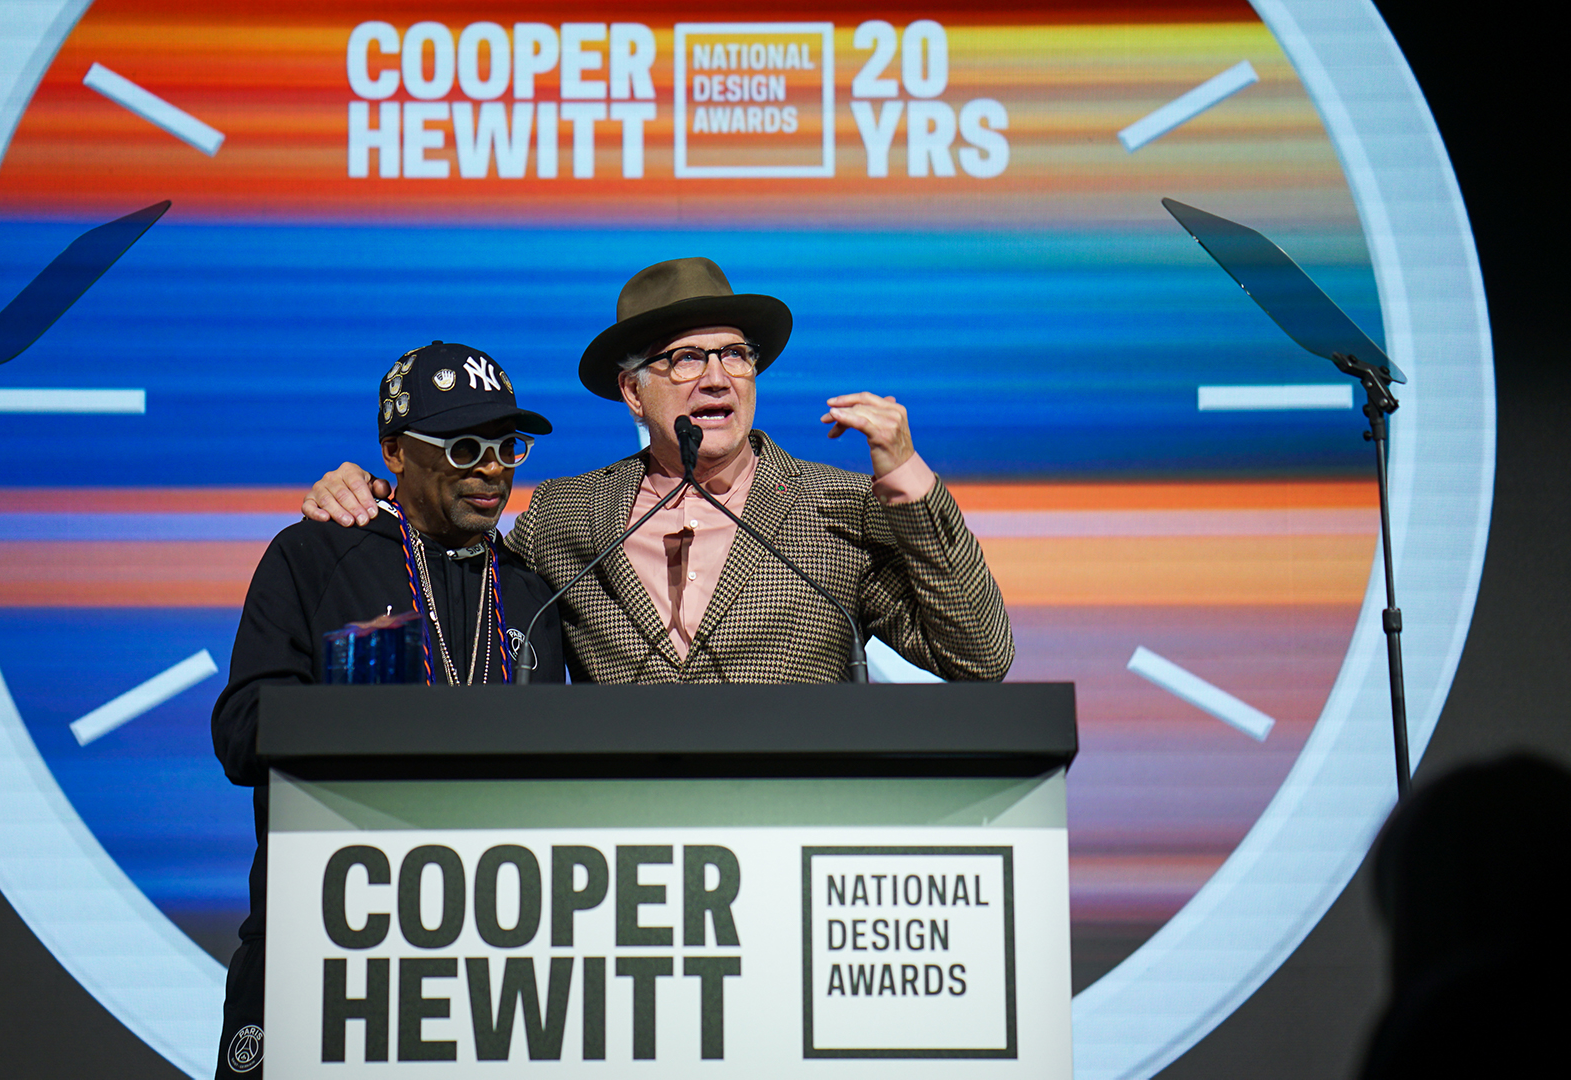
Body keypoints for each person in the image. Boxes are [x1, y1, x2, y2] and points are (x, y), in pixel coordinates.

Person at [303, 258, 1011, 683]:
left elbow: (978, 654)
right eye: (684, 358)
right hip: (623, 862)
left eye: (734, 354)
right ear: (631, 388)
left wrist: (909, 480)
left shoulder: (835, 505)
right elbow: (455, 581)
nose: (716, 378)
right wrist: (378, 495)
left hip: (794, 839)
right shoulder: (566, 515)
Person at [210, 341, 565, 1077]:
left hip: (492, 959)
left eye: (507, 446)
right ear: (395, 451)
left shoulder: (532, 591)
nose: (492, 468)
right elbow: (240, 733)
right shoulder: (313, 554)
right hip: (324, 938)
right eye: (465, 446)